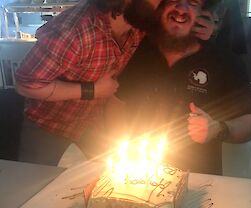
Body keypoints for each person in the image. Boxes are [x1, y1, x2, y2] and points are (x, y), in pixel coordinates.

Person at [15, 0, 215, 166]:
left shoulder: (138, 23)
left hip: (93, 124)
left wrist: (202, 27)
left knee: (111, 185)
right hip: (49, 126)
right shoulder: (74, 32)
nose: (161, 4)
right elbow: (25, 84)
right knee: (37, 191)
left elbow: (174, 29)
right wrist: (92, 91)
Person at [106, 0, 251, 175]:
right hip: (138, 176)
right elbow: (117, 104)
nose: (181, 8)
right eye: (173, 0)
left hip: (198, 183)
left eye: (192, 2)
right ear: (160, 9)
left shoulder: (224, 61)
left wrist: (220, 129)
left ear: (202, 14)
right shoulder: (138, 51)